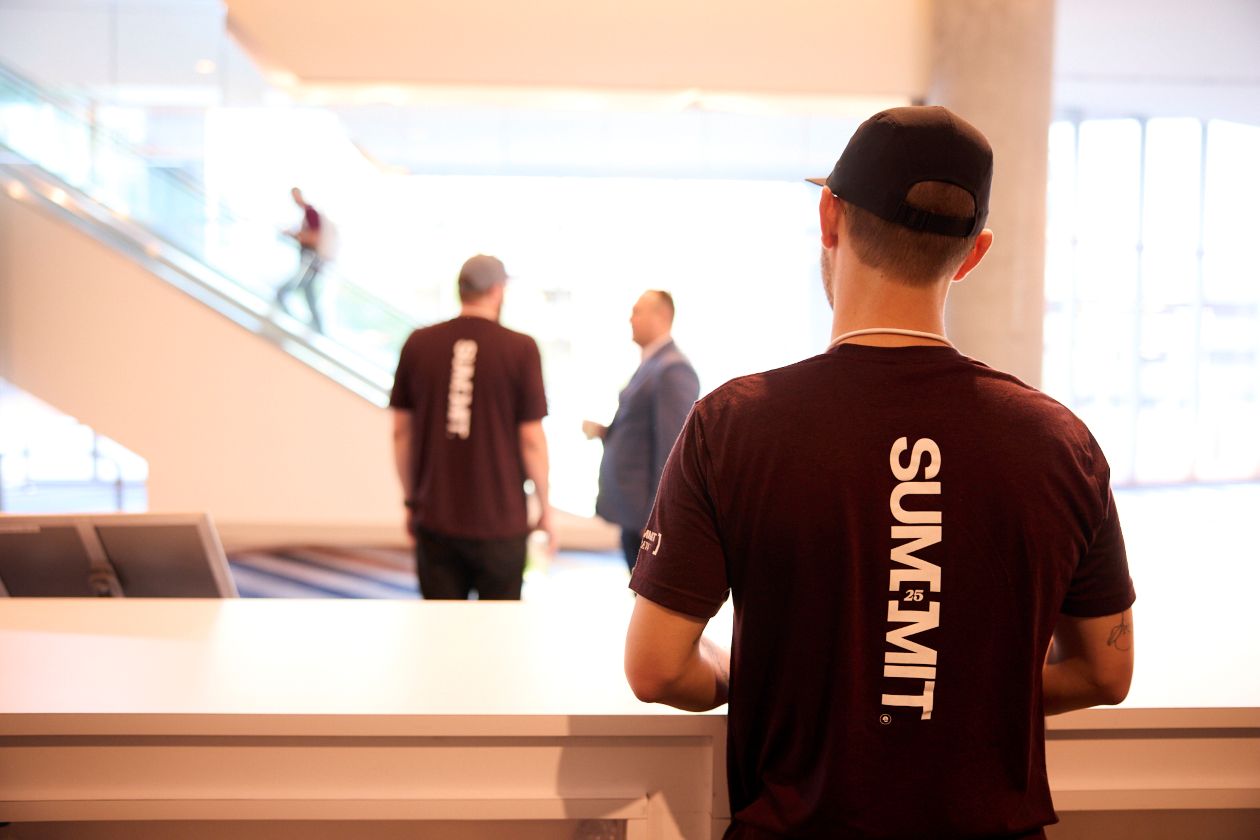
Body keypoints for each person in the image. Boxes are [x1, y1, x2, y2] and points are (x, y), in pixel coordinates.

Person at [623, 106, 1136, 839]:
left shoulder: (733, 425)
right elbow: (1103, 673)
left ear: (829, 216)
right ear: (972, 254)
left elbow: (658, 669)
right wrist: (956, 690)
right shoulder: (1059, 442)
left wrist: (758, 679)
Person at [390, 254, 553, 600]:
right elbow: (531, 441)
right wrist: (545, 508)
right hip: (501, 523)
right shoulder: (521, 349)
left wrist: (411, 501)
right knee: (498, 636)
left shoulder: (418, 343)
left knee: (441, 634)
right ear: (497, 290)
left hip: (435, 517)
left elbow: (401, 433)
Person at [587, 290, 699, 570]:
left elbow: (673, 449)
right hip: (634, 512)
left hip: (645, 517)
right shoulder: (654, 363)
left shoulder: (672, 369)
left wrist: (655, 519)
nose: (630, 319)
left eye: (637, 311)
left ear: (661, 316)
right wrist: (605, 432)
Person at [276, 187, 327, 332]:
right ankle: (318, 327)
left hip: (310, 258)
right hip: (309, 258)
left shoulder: (311, 212)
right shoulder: (307, 214)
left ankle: (314, 326)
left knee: (294, 287)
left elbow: (314, 237)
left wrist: (295, 235)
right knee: (308, 290)